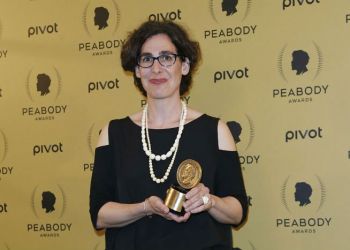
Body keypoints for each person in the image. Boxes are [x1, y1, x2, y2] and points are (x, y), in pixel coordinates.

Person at [89, 20, 248, 250]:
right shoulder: (112, 134)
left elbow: (237, 212)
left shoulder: (215, 131)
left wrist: (209, 201)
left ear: (184, 65)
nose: (156, 69)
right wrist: (145, 207)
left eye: (166, 57)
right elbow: (99, 215)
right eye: (146, 59)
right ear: (136, 70)